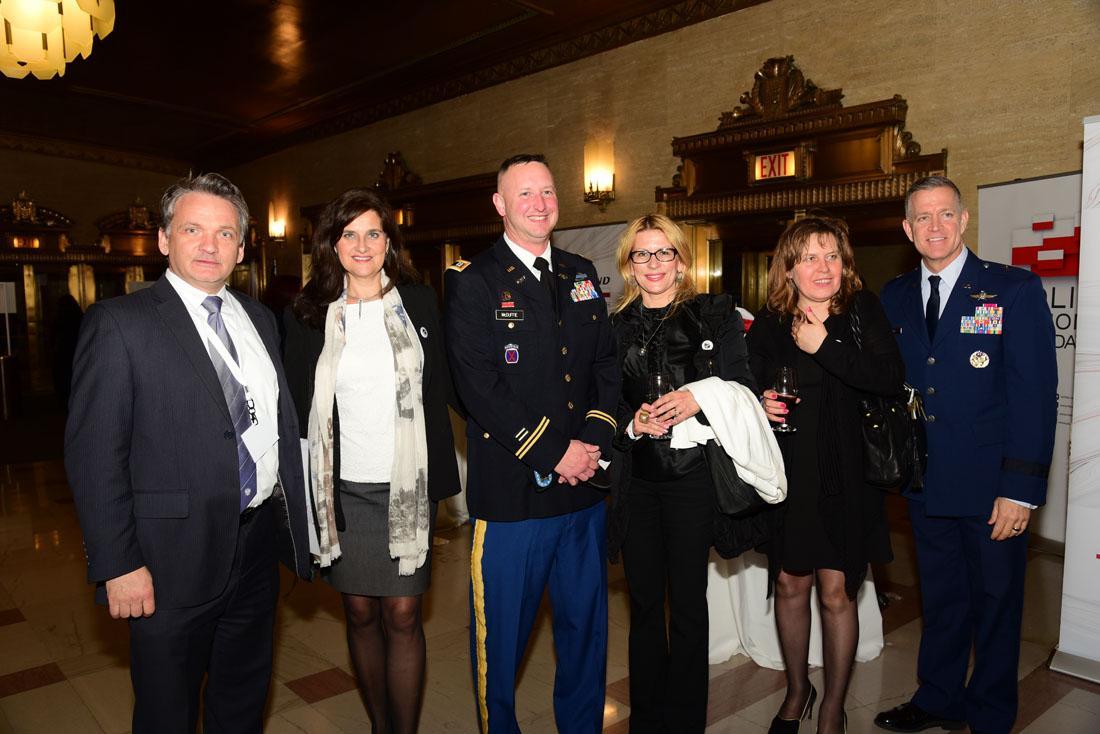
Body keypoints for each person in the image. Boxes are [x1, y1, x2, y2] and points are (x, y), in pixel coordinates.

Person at [64, 173, 312, 733]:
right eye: (192, 229)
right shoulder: (119, 323)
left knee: (242, 703)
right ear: (163, 239)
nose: (209, 245)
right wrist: (118, 563)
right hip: (167, 559)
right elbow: (95, 456)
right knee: (167, 714)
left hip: (255, 548)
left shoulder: (259, 318)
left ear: (242, 248)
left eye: (225, 234)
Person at [443, 153, 620, 733]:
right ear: (500, 204)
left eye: (547, 191)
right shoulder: (474, 281)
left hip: (583, 493)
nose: (539, 204)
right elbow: (477, 386)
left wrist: (591, 441)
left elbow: (605, 365)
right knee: (500, 643)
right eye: (525, 194)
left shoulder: (580, 272)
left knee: (585, 634)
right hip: (514, 498)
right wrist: (555, 452)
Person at [875, 176, 1057, 734]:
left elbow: (1034, 395)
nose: (935, 226)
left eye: (945, 214)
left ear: (964, 219)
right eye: (922, 217)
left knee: (996, 603)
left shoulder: (1011, 289)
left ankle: (991, 715)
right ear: (907, 229)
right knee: (942, 598)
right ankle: (939, 698)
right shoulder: (894, 295)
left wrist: (1020, 490)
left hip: (991, 485)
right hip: (926, 481)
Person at [282, 188, 460, 734]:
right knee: (359, 612)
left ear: (389, 242)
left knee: (403, 612)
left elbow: (451, 381)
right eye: (350, 234)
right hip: (341, 490)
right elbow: (293, 405)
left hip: (406, 484)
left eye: (373, 233)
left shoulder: (419, 303)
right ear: (332, 245)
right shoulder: (307, 314)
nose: (362, 245)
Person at [747, 215, 902, 734]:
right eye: (809, 257)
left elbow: (889, 378)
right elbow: (747, 384)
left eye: (832, 256)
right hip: (790, 474)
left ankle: (833, 706)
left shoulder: (862, 310)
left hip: (849, 476)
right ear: (789, 269)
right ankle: (797, 691)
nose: (823, 267)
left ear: (845, 263)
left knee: (837, 592)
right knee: (790, 584)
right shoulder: (771, 322)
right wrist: (762, 401)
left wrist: (824, 347)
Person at [605, 214, 755, 731]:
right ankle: (646, 720)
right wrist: (631, 422)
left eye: (663, 252)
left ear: (682, 261)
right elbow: (602, 402)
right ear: (629, 265)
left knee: (688, 604)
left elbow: (742, 385)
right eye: (642, 254)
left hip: (693, 478)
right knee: (644, 603)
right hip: (638, 481)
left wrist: (699, 399)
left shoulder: (713, 316)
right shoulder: (614, 327)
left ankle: (687, 721)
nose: (653, 263)